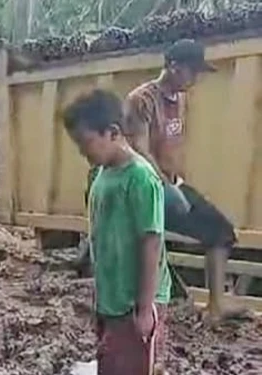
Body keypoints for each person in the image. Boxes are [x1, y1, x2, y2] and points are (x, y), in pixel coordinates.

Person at [124, 39, 242, 322]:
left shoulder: (180, 98)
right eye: (193, 72)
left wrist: (176, 183)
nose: (195, 80)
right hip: (147, 188)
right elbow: (138, 149)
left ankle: (216, 306)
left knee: (221, 231)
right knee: (149, 244)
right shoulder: (141, 100)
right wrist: (165, 187)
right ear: (174, 67)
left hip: (172, 183)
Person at [63, 89, 171, 375]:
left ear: (112, 132)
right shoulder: (102, 173)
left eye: (86, 142)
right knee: (111, 365)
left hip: (135, 302)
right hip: (112, 299)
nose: (82, 151)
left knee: (135, 367)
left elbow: (151, 242)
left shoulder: (141, 179)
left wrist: (146, 308)